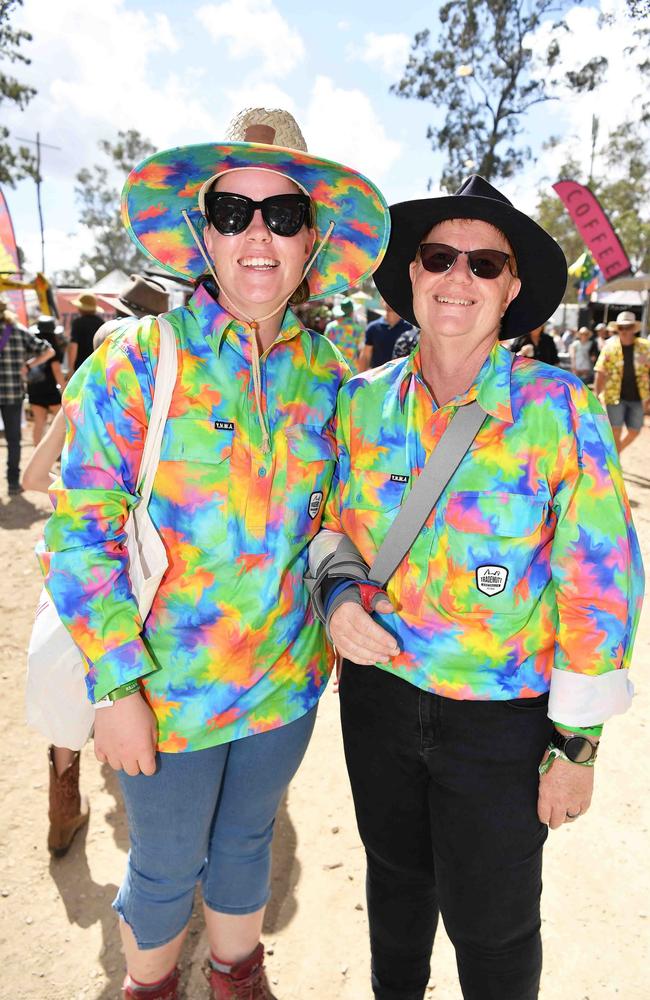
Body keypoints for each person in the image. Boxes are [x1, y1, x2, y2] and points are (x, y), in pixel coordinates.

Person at [38, 107, 389, 1000]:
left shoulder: (331, 374)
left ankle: (238, 975)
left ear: (313, 240)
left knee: (247, 842)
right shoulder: (137, 360)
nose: (258, 235)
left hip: (284, 683)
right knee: (162, 867)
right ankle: (149, 988)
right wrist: (114, 685)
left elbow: (331, 526)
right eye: (234, 212)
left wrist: (343, 603)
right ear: (204, 231)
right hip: (164, 691)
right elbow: (80, 532)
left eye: (283, 214)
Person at [308, 175, 642, 1000]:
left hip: (501, 725)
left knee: (493, 929)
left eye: (484, 263)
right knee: (394, 893)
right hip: (379, 703)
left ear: (512, 286)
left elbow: (600, 586)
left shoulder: (560, 411)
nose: (458, 277)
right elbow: (324, 530)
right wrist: (339, 597)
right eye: (438, 256)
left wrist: (576, 747)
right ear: (412, 275)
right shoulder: (358, 402)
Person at [22, 279, 170, 858]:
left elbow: (36, 479)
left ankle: (64, 794)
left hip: (74, 562)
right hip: (135, 569)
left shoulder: (88, 383)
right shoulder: (166, 381)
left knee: (65, 670)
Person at [0, 294, 54, 495]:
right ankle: (13, 482)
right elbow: (48, 351)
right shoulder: (17, 331)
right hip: (13, 392)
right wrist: (29, 365)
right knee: (14, 439)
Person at [594, 309, 650, 453]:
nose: (624, 331)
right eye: (621, 327)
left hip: (638, 397)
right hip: (614, 397)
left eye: (628, 327)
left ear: (634, 329)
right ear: (617, 329)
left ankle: (616, 454)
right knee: (615, 431)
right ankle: (615, 465)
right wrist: (596, 394)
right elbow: (600, 372)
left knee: (635, 431)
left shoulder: (646, 347)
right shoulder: (609, 348)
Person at [26, 315, 67, 446]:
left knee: (39, 422)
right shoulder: (52, 349)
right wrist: (64, 388)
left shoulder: (32, 346)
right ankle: (57, 451)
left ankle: (37, 452)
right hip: (50, 389)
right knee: (60, 422)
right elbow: (56, 370)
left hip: (34, 388)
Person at [358, 300, 413, 370]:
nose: (388, 300)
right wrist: (360, 379)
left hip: (402, 378)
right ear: (381, 301)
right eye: (385, 297)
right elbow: (365, 355)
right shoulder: (373, 327)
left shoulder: (410, 329)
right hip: (377, 377)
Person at [66, 291, 105, 372]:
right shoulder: (101, 323)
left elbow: (73, 346)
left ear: (81, 308)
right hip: (97, 366)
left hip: (81, 367)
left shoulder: (78, 322)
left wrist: (70, 368)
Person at [323, 298, 365, 372]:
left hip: (333, 368)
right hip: (351, 370)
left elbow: (324, 347)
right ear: (352, 312)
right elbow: (361, 350)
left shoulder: (330, 327)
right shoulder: (358, 329)